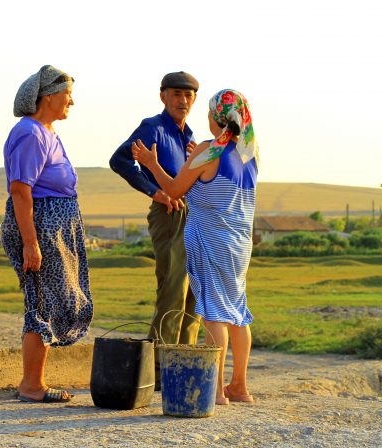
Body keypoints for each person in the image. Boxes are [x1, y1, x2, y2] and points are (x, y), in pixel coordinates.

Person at [132, 88, 259, 405]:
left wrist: (151, 162)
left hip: (211, 241)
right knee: (237, 314)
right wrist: (195, 156)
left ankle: (215, 390)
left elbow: (175, 189)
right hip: (239, 244)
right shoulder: (250, 153)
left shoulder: (207, 150)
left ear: (215, 117)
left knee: (214, 314)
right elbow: (212, 181)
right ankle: (239, 386)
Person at [1, 65, 94, 403]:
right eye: (69, 95)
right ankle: (31, 385)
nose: (73, 101)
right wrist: (30, 243)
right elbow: (21, 189)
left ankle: (34, 381)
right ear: (50, 96)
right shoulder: (31, 133)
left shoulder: (46, 131)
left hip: (54, 228)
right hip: (39, 227)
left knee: (51, 301)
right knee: (42, 302)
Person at [109, 71, 201, 386]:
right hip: (169, 213)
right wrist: (155, 191)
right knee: (174, 289)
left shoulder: (189, 136)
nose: (183, 100)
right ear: (163, 96)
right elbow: (119, 160)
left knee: (195, 294)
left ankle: (184, 364)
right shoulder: (153, 128)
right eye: (176, 94)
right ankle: (159, 371)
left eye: (188, 95)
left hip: (195, 214)